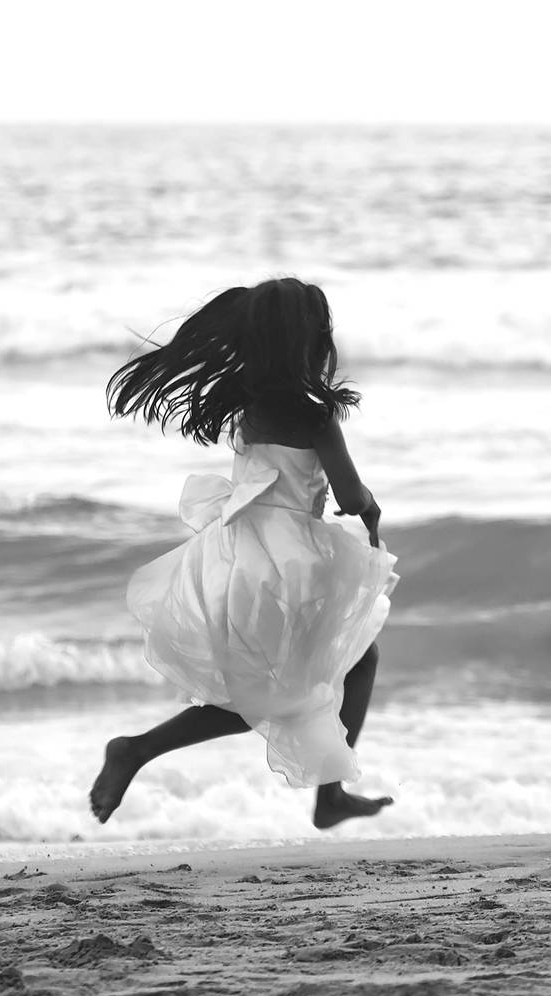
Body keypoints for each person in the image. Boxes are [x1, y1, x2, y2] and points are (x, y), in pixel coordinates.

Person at [89, 277, 399, 830]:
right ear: (310, 341)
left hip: (240, 558)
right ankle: (137, 750)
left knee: (291, 684)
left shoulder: (249, 407)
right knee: (286, 690)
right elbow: (351, 497)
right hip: (290, 568)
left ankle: (327, 794)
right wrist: (370, 508)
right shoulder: (316, 416)